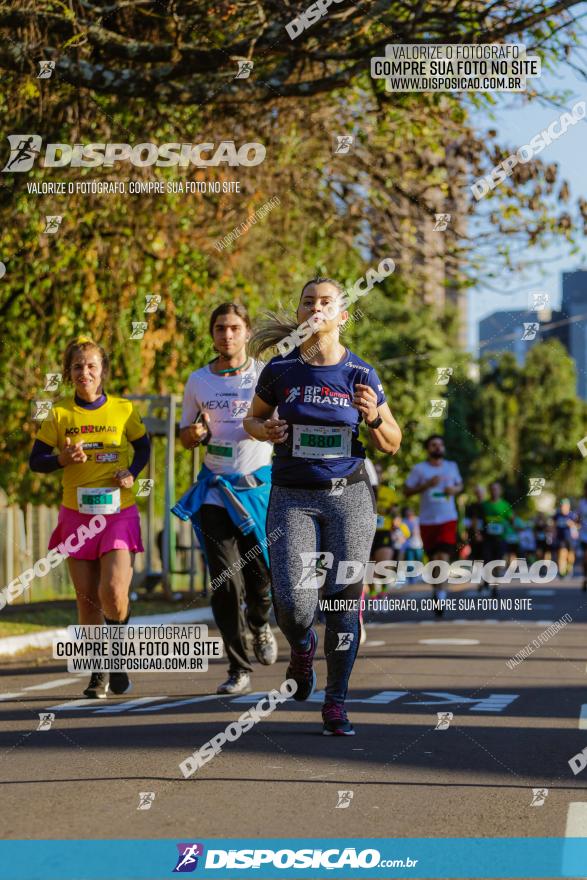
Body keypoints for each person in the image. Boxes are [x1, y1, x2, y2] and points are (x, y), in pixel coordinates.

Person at [244, 277, 401, 736]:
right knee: (293, 604)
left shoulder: (361, 374)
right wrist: (264, 430)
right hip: (292, 495)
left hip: (348, 497)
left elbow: (392, 441)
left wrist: (372, 416)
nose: (317, 308)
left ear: (342, 314)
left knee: (343, 602)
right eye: (308, 302)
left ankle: (336, 703)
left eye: (326, 302)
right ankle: (301, 649)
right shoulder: (280, 370)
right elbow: (252, 419)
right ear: (299, 314)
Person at [29, 336, 150, 699]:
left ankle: (118, 659)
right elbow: (37, 461)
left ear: (103, 372)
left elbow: (143, 445)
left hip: (117, 512)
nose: (85, 372)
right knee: (87, 599)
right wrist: (62, 460)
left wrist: (131, 471)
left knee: (112, 591)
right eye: (78, 366)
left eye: (92, 366)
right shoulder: (59, 413)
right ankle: (98, 672)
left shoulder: (124, 409)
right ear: (69, 373)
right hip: (76, 515)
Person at [172, 303, 278, 696]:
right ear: (212, 334)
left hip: (257, 490)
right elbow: (184, 435)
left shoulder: (265, 374)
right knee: (224, 580)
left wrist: (270, 429)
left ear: (247, 332)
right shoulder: (198, 380)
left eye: (234, 328)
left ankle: (260, 622)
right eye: (220, 328)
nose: (227, 335)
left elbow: (278, 423)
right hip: (216, 490)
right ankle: (237, 667)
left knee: (259, 580)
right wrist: (194, 435)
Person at [404, 435, 463, 616]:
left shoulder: (451, 466)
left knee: (443, 556)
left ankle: (442, 594)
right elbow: (407, 491)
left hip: (448, 518)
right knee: (434, 561)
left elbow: (460, 485)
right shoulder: (419, 469)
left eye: (440, 445)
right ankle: (436, 590)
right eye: (434, 445)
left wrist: (454, 490)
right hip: (428, 521)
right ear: (428, 449)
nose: (438, 447)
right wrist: (427, 485)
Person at [480, 481, 514, 598]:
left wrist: (509, 523)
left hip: (500, 538)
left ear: (500, 491)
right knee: (487, 560)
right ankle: (486, 580)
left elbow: (511, 519)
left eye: (496, 489)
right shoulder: (484, 505)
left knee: (498, 563)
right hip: (487, 539)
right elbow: (478, 520)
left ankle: (495, 587)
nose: (494, 491)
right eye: (492, 489)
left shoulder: (505, 505)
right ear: (489, 491)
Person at [554, 498, 578, 578]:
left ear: (568, 506)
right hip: (561, 538)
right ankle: (562, 571)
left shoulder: (572, 515)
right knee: (562, 554)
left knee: (570, 556)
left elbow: (578, 525)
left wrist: (572, 524)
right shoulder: (557, 515)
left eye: (564, 506)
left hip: (571, 538)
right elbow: (553, 525)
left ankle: (569, 567)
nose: (562, 508)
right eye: (561, 506)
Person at [578, 482, 587, 590]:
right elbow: (577, 517)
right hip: (584, 535)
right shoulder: (582, 503)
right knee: (585, 558)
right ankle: (585, 578)